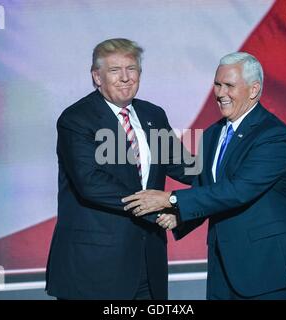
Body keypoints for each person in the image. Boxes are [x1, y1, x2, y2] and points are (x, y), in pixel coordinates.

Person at [122, 52, 286, 300]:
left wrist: (170, 199)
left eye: (229, 85)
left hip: (268, 271)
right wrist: (179, 217)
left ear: (254, 90)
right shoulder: (213, 134)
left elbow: (238, 190)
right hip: (222, 270)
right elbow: (207, 185)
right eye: (217, 84)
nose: (220, 93)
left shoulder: (272, 134)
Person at [45, 38, 194, 300]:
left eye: (132, 68)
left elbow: (183, 166)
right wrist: (160, 208)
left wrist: (228, 172)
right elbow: (91, 183)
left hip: (149, 262)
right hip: (95, 268)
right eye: (115, 70)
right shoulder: (76, 119)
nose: (125, 78)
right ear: (97, 76)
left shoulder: (153, 114)